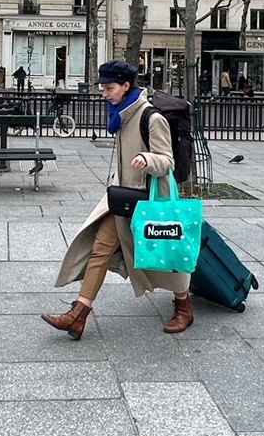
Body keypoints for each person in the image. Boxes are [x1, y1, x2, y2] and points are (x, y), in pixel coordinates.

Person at [42, 60, 193, 339]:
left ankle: (183, 307)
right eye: (103, 88)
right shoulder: (121, 114)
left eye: (109, 88)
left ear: (126, 86)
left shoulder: (151, 117)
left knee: (167, 256)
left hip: (149, 201)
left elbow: (167, 162)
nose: (104, 93)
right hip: (123, 197)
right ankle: (78, 315)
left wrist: (147, 159)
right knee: (100, 249)